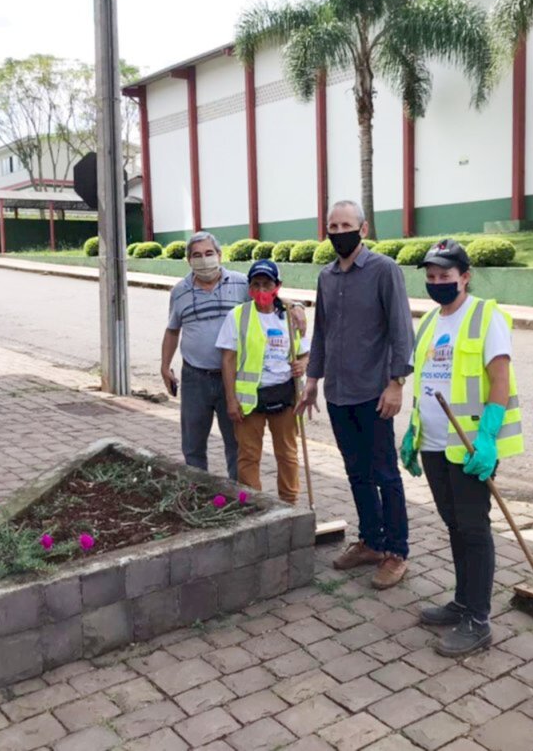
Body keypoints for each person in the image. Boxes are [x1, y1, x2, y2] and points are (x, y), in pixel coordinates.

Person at [399, 239, 524, 657]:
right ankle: (462, 601)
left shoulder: (487, 316)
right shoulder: (430, 321)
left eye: (445, 276)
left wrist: (488, 436)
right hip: (436, 444)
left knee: (473, 529)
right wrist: (412, 434)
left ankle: (479, 619)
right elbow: (428, 383)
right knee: (454, 525)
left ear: (464, 276)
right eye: (431, 277)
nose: (437, 283)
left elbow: (500, 380)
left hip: (470, 446)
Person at [297, 200, 415, 590]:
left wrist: (396, 383)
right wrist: (313, 379)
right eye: (332, 226)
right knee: (356, 472)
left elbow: (401, 329)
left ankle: (396, 552)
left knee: (384, 473)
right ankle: (371, 542)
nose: (339, 231)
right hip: (339, 394)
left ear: (363, 230)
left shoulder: (384, 270)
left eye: (346, 224)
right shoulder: (326, 276)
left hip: (374, 393)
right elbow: (323, 332)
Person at [162, 232, 306, 481]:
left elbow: (269, 297)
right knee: (193, 444)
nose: (204, 260)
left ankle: (237, 501)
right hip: (195, 377)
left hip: (234, 379)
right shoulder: (180, 292)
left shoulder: (241, 283)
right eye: (197, 255)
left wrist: (295, 306)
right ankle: (198, 495)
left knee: (238, 447)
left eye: (209, 253)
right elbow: (173, 330)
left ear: (219, 255)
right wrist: (165, 366)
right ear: (188, 260)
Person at [218, 260, 308, 504]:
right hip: (250, 400)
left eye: (267, 284)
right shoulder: (238, 316)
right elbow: (228, 360)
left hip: (285, 396)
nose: (261, 290)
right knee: (248, 456)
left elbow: (305, 352)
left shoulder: (291, 317)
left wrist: (303, 363)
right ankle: (254, 506)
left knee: (288, 454)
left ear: (277, 286)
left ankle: (289, 504)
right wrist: (230, 399)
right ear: (249, 288)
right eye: (255, 284)